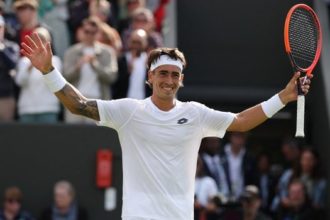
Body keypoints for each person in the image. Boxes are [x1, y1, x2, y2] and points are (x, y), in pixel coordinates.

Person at [21, 31, 311, 219]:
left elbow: (241, 122)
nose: (168, 80)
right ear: (150, 77)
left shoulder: (196, 114)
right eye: (162, 73)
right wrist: (49, 71)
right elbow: (79, 105)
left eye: (175, 74)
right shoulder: (128, 111)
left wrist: (285, 96)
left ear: (181, 80)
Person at [63, 16, 118, 123]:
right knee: (72, 136)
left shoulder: (107, 52)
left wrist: (95, 65)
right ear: (81, 31)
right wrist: (77, 67)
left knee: (95, 137)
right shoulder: (71, 52)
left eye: (93, 32)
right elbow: (65, 77)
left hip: (97, 102)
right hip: (75, 101)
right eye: (87, 31)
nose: (89, 35)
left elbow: (112, 77)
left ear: (98, 33)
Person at [15, 27, 61, 123]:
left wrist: (45, 64)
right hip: (26, 109)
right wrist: (31, 65)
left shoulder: (55, 61)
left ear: (49, 42)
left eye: (42, 39)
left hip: (48, 109)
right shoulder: (24, 61)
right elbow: (20, 82)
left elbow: (55, 84)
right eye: (35, 40)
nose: (39, 43)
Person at [0, 15, 19, 122]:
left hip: (5, 98)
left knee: (6, 135)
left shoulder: (11, 46)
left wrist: (1, 49)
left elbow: (13, 64)